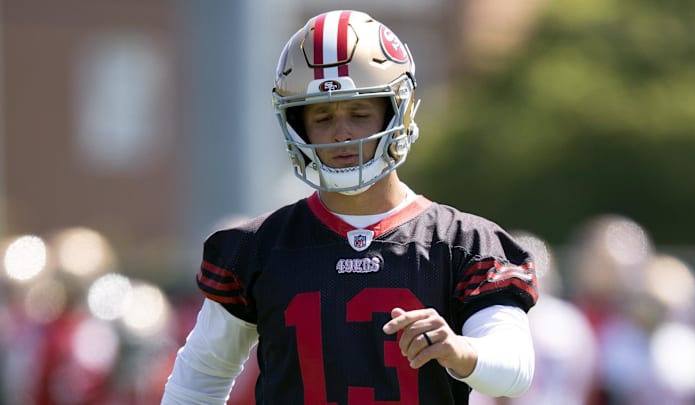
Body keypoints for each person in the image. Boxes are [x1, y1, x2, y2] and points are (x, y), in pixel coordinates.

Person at [161, 10, 538, 405]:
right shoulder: (257, 247)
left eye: (359, 114)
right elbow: (198, 381)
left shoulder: (463, 242)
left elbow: (514, 371)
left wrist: (458, 350)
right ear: (296, 124)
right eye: (322, 116)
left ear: (398, 112)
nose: (341, 133)